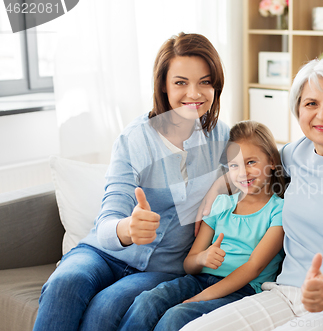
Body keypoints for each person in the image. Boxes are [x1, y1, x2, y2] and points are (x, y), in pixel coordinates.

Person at [182, 57, 323, 331]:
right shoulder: (296, 154)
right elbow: (251, 166)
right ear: (299, 111)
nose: (322, 115)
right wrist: (216, 189)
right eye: (311, 103)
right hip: (288, 293)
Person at [33, 32, 230, 331]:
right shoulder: (135, 138)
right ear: (163, 85)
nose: (194, 93)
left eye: (205, 81)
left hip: (161, 268)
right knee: (65, 282)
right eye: (180, 82)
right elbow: (109, 218)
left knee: (106, 308)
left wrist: (218, 186)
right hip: (103, 252)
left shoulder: (222, 138)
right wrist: (128, 228)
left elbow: (261, 167)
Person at [117, 120, 287, 331]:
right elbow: (189, 264)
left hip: (243, 289)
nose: (243, 172)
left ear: (271, 161)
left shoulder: (278, 211)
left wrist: (202, 298)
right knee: (147, 302)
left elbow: (255, 267)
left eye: (251, 162)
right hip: (199, 279)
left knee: (176, 317)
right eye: (234, 165)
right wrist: (202, 258)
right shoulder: (221, 204)